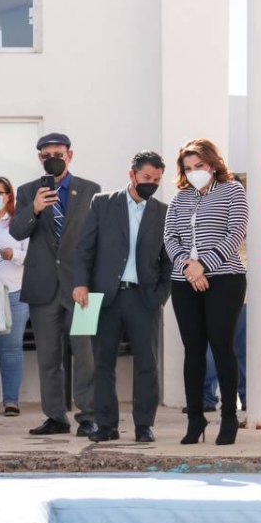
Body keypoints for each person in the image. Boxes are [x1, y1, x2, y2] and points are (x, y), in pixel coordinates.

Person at [72, 150, 172, 443]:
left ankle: (144, 425)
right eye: (146, 178)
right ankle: (106, 425)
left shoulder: (163, 212)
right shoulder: (102, 203)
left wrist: (161, 294)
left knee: (147, 364)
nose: (151, 183)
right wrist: (80, 284)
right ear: (132, 175)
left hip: (144, 298)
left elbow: (169, 260)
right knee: (102, 363)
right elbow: (84, 249)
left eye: (156, 180)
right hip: (103, 298)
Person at [10, 132, 101, 437]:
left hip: (82, 287)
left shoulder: (91, 190)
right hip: (42, 286)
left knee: (86, 353)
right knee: (49, 356)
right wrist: (34, 208)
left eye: (58, 154)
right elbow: (17, 232)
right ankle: (55, 416)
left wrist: (90, 281)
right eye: (46, 154)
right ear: (39, 158)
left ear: (69, 155)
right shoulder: (26, 192)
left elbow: (97, 238)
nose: (53, 159)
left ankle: (88, 415)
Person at [164, 138, 248, 446]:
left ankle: (229, 418)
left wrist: (204, 265)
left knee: (222, 345)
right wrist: (188, 267)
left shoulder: (232, 190)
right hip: (184, 280)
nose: (194, 172)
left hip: (225, 278)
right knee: (193, 350)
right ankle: (195, 418)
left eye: (198, 166)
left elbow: (236, 232)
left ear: (212, 165)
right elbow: (170, 236)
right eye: (188, 168)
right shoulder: (180, 198)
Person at [0, 176, 30, 417]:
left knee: (11, 348)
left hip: (14, 291)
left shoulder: (19, 224)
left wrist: (15, 255)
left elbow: (32, 256)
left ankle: (11, 401)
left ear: (9, 195)